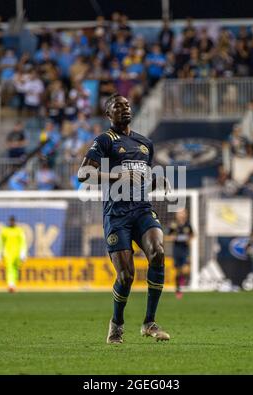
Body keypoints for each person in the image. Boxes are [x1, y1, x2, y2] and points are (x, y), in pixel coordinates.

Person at [78, 93, 171, 344]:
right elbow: (84, 174)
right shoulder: (105, 141)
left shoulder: (144, 144)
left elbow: (142, 177)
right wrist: (118, 177)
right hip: (116, 215)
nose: (125, 109)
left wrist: (155, 180)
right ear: (109, 114)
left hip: (142, 209)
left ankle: (149, 323)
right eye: (118, 106)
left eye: (127, 105)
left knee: (158, 252)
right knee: (126, 276)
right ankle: (117, 323)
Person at [0, 216, 27, 292]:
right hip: (8, 253)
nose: (12, 222)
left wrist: (23, 253)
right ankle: (10, 284)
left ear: (15, 222)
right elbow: (0, 242)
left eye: (13, 221)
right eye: (10, 221)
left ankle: (13, 284)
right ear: (9, 222)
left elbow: (23, 242)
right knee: (9, 268)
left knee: (15, 269)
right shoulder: (5, 230)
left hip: (17, 253)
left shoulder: (19, 231)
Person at [166, 208, 193, 299]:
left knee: (186, 270)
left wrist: (189, 239)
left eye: (183, 213)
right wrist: (172, 238)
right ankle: (178, 289)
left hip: (185, 249)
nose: (181, 215)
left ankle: (181, 283)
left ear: (186, 214)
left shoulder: (188, 224)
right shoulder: (173, 225)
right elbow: (168, 237)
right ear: (177, 215)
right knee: (178, 271)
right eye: (180, 213)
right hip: (176, 250)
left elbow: (192, 235)